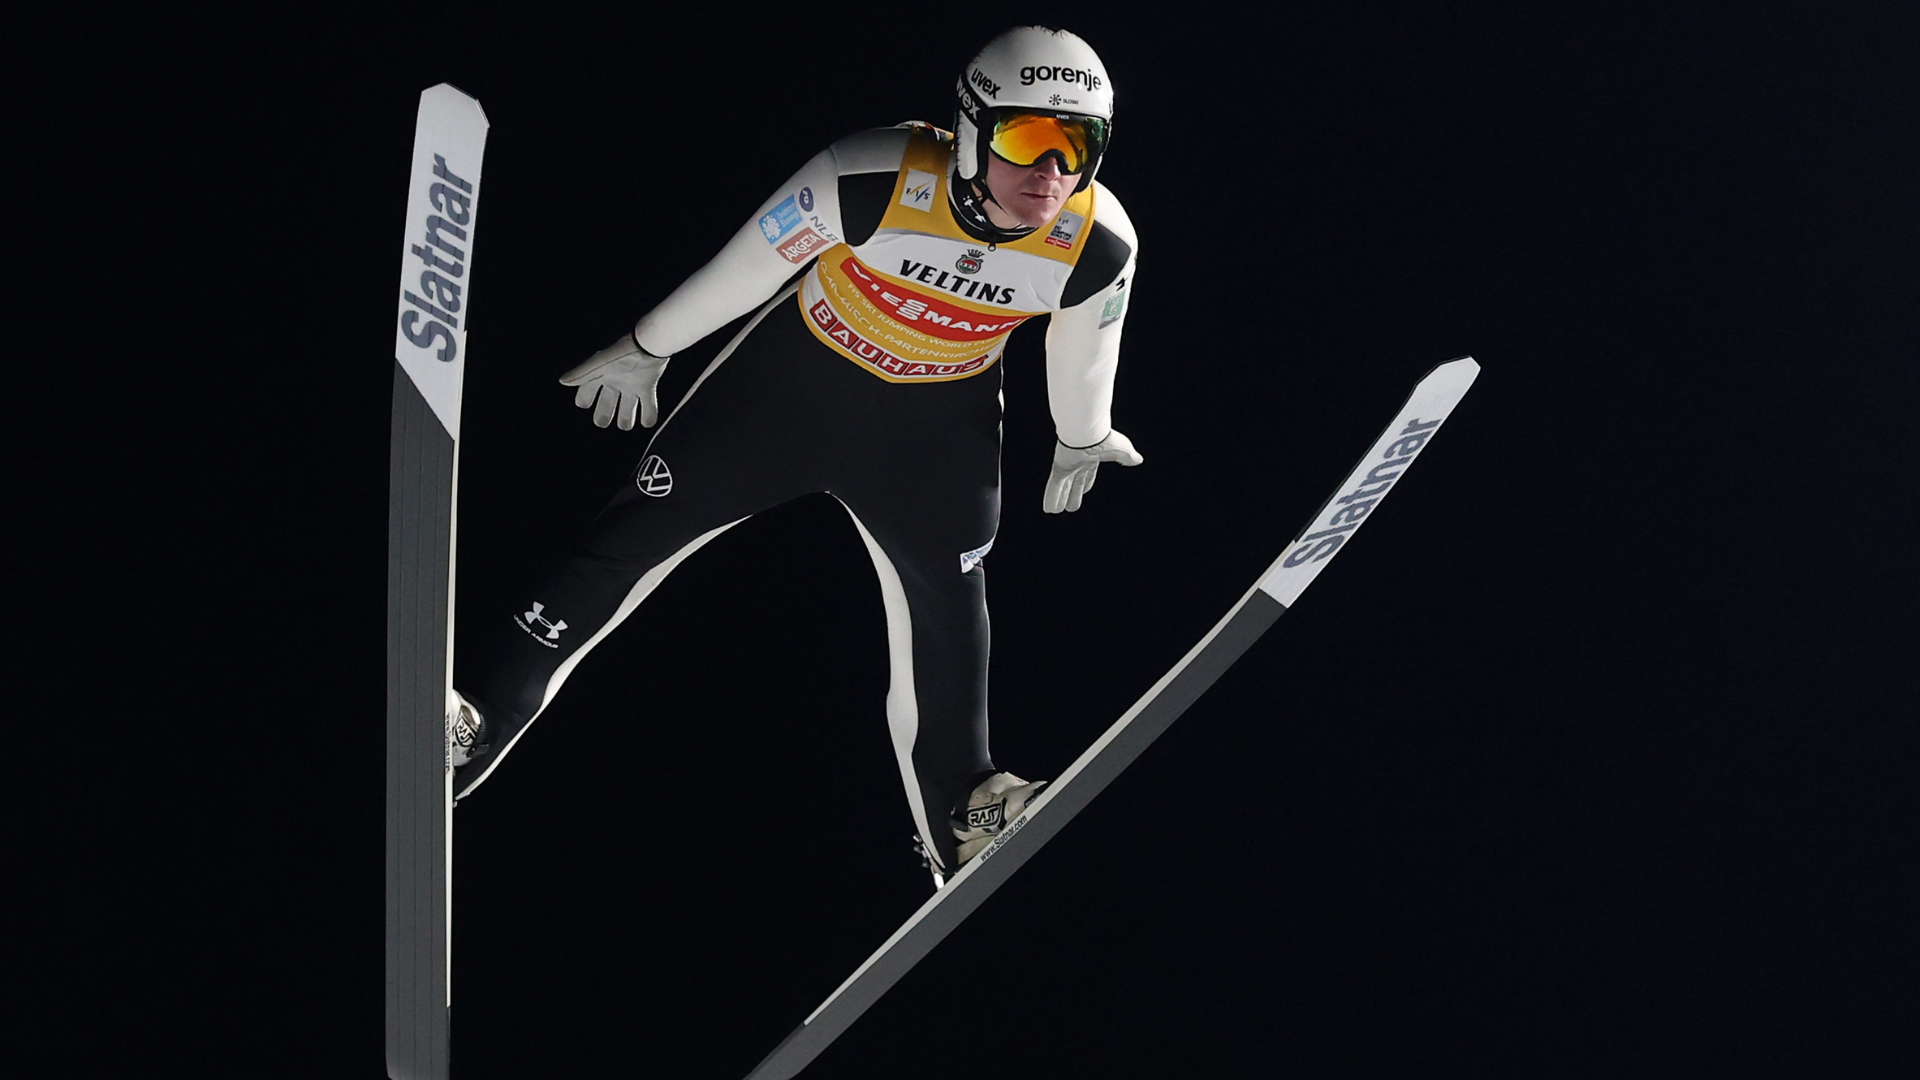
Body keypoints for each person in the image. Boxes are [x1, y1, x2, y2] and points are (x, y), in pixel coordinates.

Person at [449, 26, 1142, 885]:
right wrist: (650, 344)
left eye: (1081, 146)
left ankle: (963, 810)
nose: (1053, 174)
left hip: (931, 442)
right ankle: (476, 714)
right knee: (622, 547)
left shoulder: (1096, 240)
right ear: (969, 128)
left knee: (948, 610)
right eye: (1029, 139)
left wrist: (1082, 433)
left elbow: (1082, 350)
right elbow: (747, 269)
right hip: (784, 399)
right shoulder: (872, 175)